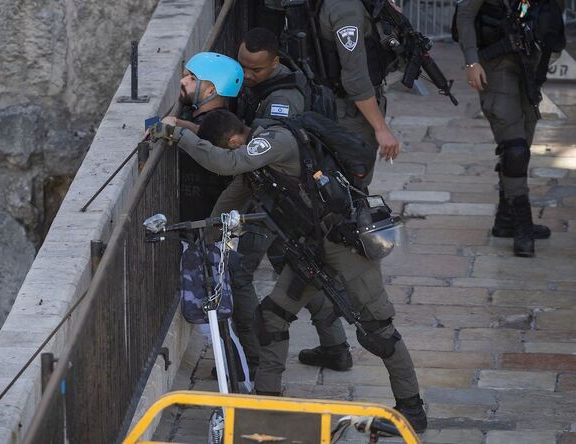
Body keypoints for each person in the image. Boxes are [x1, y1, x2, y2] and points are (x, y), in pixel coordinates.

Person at [150, 110, 428, 432]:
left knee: (379, 328)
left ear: (235, 140)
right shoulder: (256, 169)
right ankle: (267, 402)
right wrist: (206, 239)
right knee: (272, 317)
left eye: (229, 149)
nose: (232, 155)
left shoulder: (275, 141)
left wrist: (175, 134)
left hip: (343, 246)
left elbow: (227, 164)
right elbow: (231, 198)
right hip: (310, 250)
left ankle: (411, 409)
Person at [234, 28, 354, 374]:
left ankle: (252, 358)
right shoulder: (272, 78)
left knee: (239, 273)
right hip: (283, 200)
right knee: (301, 272)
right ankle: (335, 347)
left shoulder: (283, 101)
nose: (247, 75)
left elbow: (262, 156)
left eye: (255, 70)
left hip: (277, 201)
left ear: (274, 62)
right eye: (242, 66)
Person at [456, 0, 553, 257]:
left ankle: (505, 219)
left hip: (528, 65)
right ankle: (522, 225)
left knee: (522, 145)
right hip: (495, 66)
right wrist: (471, 62)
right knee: (514, 150)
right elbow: (464, 16)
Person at [317, 0, 401, 185]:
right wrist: (381, 128)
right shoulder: (346, 8)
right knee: (352, 187)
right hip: (350, 112)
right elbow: (355, 79)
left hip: (352, 107)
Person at [176, 52, 244, 221]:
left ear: (211, 91)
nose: (182, 82)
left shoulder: (221, 128)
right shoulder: (217, 116)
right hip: (197, 223)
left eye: (192, 78)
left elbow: (203, 132)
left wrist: (171, 124)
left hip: (207, 228)